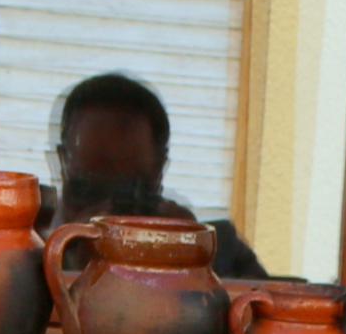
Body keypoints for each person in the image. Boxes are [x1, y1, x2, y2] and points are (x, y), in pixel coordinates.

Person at [49, 72, 267, 277]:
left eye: (130, 194)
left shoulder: (221, 253)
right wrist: (63, 257)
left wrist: (196, 261)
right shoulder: (31, 258)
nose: (110, 217)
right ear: (61, 164)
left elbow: (264, 308)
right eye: (89, 189)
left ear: (159, 171)